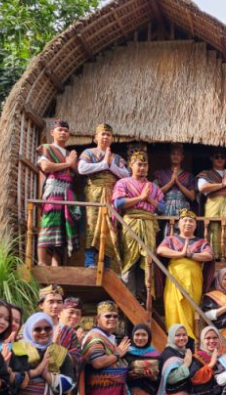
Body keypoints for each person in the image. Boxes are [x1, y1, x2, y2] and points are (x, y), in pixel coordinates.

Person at [113, 150, 164, 299]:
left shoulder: (153, 187)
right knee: (130, 258)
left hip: (148, 224)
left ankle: (143, 296)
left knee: (147, 260)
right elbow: (119, 202)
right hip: (131, 222)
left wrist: (149, 200)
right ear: (131, 165)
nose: (142, 168)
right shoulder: (123, 182)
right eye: (139, 164)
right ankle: (128, 296)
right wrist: (141, 197)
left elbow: (162, 207)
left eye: (145, 165)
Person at [156, 209, 214, 337]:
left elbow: (209, 255)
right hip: (174, 280)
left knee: (192, 309)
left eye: (191, 221)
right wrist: (180, 254)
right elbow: (160, 250)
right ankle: (175, 338)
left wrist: (191, 255)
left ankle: (192, 340)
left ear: (195, 225)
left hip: (194, 280)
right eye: (185, 220)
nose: (188, 223)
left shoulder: (201, 242)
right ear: (178, 224)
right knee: (173, 308)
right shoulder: (171, 239)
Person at [79, 123, 129, 270]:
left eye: (108, 134)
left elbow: (126, 174)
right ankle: (90, 261)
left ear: (112, 138)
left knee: (110, 227)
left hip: (112, 193)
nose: (105, 137)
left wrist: (110, 165)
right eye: (103, 134)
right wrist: (103, 164)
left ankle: (106, 263)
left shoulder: (116, 158)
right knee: (92, 225)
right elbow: (82, 168)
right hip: (94, 192)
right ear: (96, 137)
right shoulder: (89, 152)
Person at [36, 119, 80, 267]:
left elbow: (78, 172)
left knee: (62, 226)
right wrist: (68, 163)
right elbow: (45, 166)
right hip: (53, 189)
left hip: (67, 191)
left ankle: (56, 264)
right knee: (49, 222)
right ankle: (42, 262)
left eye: (66, 131)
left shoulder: (69, 153)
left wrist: (73, 162)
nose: (63, 133)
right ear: (52, 132)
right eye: (60, 130)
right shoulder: (47, 148)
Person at [154, 143, 197, 237]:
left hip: (183, 207)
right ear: (169, 156)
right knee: (165, 231)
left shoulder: (189, 176)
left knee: (181, 231)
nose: (176, 156)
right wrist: (170, 183)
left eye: (178, 154)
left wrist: (178, 183)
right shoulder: (161, 174)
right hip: (166, 207)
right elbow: (155, 194)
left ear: (182, 157)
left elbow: (192, 197)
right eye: (173, 153)